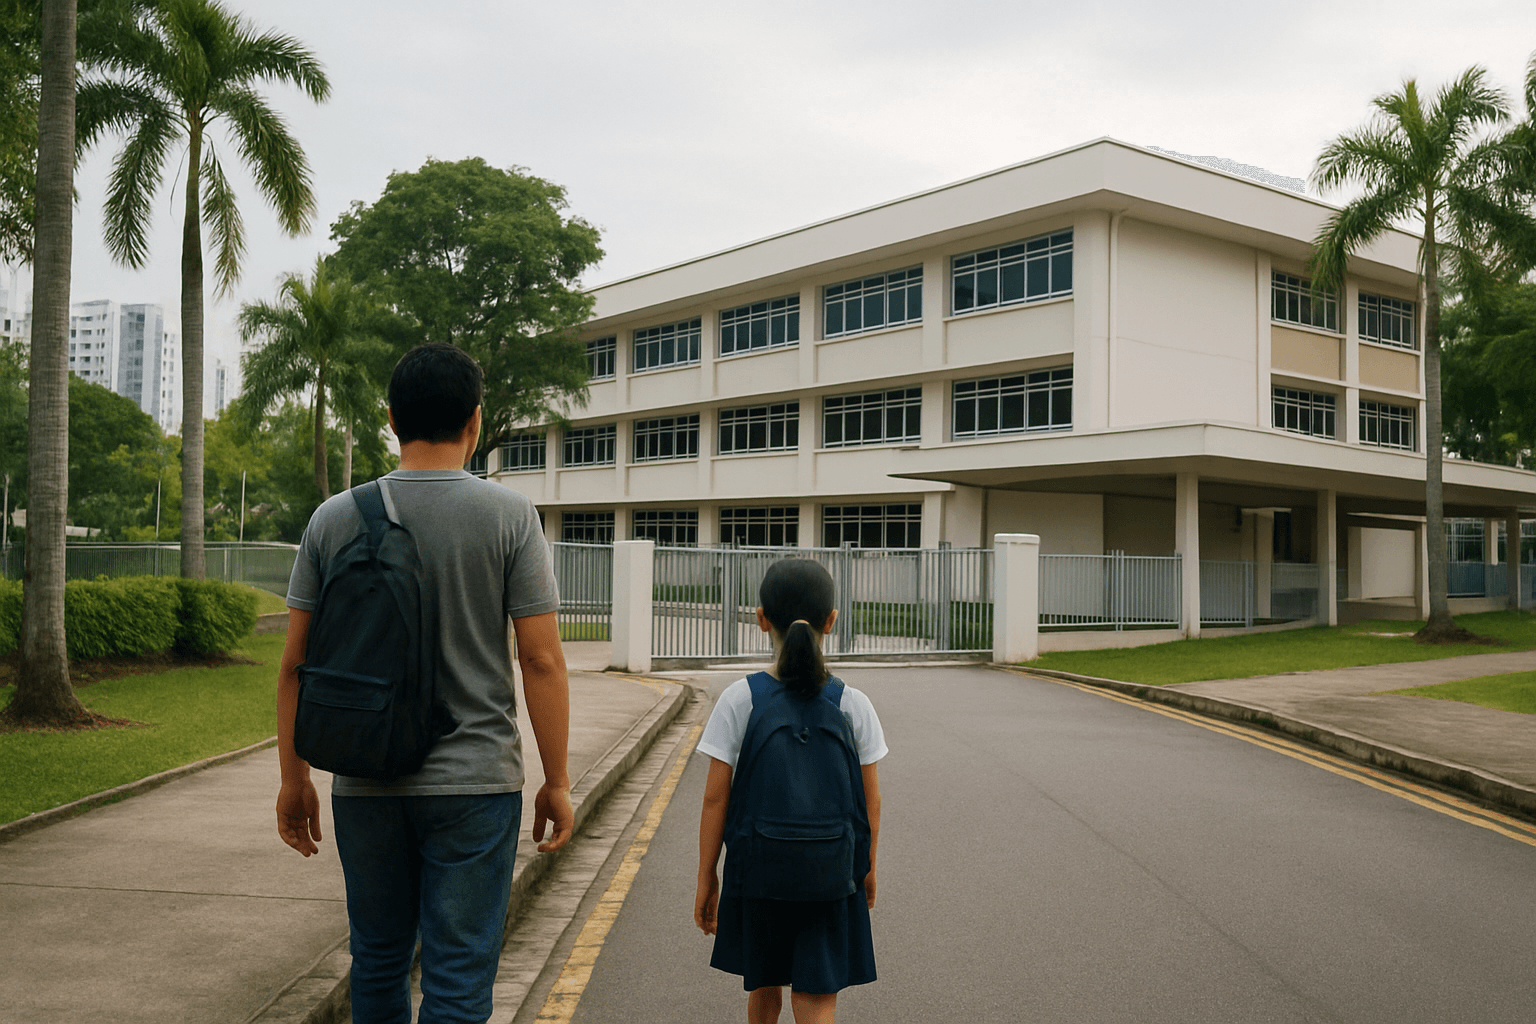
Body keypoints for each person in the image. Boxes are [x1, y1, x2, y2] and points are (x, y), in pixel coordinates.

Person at [274, 342, 574, 1024]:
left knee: (376, 960)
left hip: (365, 778)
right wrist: (556, 779)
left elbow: (295, 662)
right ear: (474, 421)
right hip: (475, 783)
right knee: (459, 975)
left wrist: (294, 778)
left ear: (390, 419)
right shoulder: (508, 516)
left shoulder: (334, 518)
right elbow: (542, 660)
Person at [694, 558, 886, 1024]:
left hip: (759, 871)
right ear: (831, 622)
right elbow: (871, 802)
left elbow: (716, 798)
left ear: (761, 618)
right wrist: (867, 869)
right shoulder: (852, 704)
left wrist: (708, 876)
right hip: (830, 872)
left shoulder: (740, 698)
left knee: (764, 985)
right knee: (818, 993)